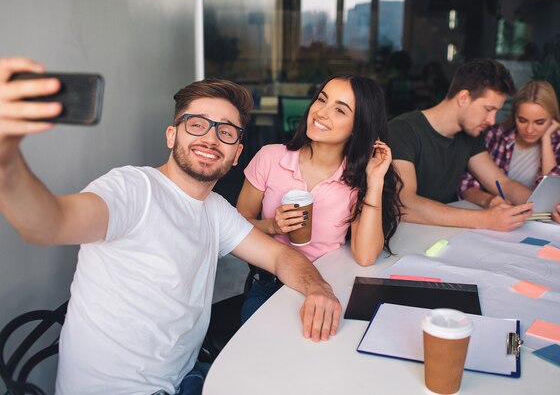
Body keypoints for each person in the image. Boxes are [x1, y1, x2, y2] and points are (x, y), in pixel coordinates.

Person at [0, 57, 341, 395]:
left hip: (185, 378)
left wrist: (318, 289)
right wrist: (6, 160)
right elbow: (48, 224)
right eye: (197, 124)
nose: (210, 139)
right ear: (171, 135)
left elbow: (280, 257)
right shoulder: (133, 189)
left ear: (237, 154)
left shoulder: (214, 210)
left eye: (225, 131)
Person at [236, 74, 402, 322]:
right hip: (270, 286)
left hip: (329, 285)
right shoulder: (270, 157)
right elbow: (236, 224)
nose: (321, 113)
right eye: (321, 100)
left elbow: (365, 256)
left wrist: (375, 180)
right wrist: (272, 225)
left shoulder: (356, 179)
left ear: (359, 126)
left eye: (340, 110)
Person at [388, 58, 560, 231]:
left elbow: (503, 183)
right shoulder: (402, 130)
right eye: (488, 109)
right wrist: (485, 219)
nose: (492, 120)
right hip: (405, 235)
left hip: (443, 234)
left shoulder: (471, 134)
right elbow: (405, 203)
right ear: (463, 98)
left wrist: (553, 208)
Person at [459, 80, 560, 206]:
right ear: (514, 115)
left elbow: (556, 192)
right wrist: (491, 201)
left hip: (538, 216)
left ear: (552, 118)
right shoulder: (495, 135)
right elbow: (466, 186)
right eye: (522, 120)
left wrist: (546, 139)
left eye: (539, 122)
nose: (529, 130)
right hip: (496, 214)